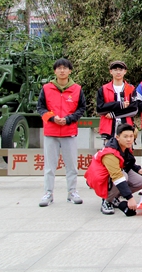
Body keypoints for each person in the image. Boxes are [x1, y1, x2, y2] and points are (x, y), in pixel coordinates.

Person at [37, 58, 86, 207]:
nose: (62, 71)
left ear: (70, 71)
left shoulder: (77, 89)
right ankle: (48, 193)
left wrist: (68, 119)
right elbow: (40, 108)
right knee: (49, 166)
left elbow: (81, 109)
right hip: (51, 132)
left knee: (71, 166)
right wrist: (52, 118)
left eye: (65, 68)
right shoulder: (46, 88)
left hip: (69, 131)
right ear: (55, 71)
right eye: (59, 68)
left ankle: (72, 192)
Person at [85, 123, 142, 216]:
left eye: (131, 136)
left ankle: (114, 197)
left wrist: (138, 170)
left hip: (115, 173)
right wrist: (130, 198)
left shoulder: (124, 146)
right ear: (117, 137)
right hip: (100, 178)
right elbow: (117, 177)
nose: (129, 139)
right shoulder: (110, 153)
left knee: (140, 181)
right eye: (125, 136)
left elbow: (128, 161)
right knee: (123, 176)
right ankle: (107, 201)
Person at [96, 60, 138, 144]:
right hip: (108, 128)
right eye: (115, 70)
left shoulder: (130, 88)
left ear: (125, 71)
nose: (118, 72)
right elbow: (100, 109)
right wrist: (119, 105)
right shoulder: (103, 89)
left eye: (120, 70)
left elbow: (134, 109)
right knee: (109, 151)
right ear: (111, 72)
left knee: (126, 152)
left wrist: (113, 114)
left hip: (126, 127)